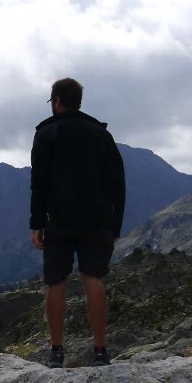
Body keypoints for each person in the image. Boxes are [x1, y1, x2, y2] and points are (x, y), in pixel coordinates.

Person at [29, 78, 126, 368]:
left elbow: (39, 184)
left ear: (57, 101)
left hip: (57, 220)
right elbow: (117, 183)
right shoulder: (100, 134)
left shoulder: (45, 134)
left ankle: (56, 351)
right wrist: (115, 226)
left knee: (56, 282)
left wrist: (37, 224)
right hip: (97, 220)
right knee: (93, 279)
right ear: (78, 101)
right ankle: (100, 351)